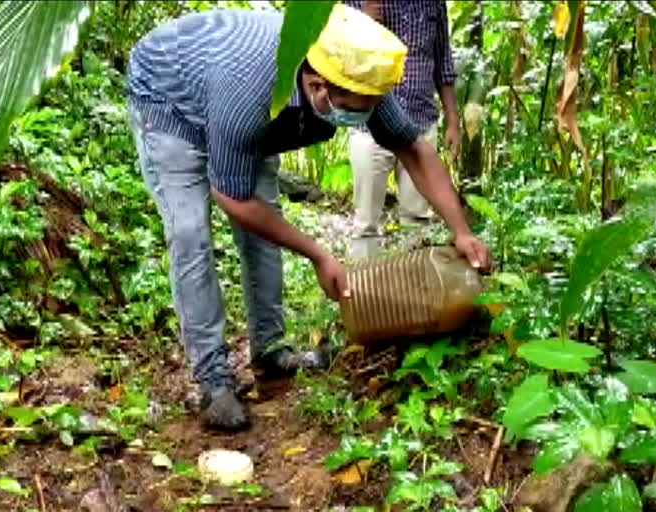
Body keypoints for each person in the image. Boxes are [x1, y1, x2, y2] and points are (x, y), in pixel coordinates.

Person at [126, 3, 489, 431]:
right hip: (171, 102)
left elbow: (414, 148)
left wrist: (461, 231)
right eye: (360, 106)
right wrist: (318, 254)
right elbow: (232, 198)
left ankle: (270, 348)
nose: (370, 113)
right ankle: (213, 381)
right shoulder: (249, 91)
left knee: (265, 226)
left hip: (247, 111)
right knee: (190, 235)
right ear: (319, 88)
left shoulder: (350, 75)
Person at [343, 0, 461, 260]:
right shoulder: (355, 3)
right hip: (370, 123)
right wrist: (364, 22)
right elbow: (339, 57)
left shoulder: (433, 4)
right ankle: (363, 294)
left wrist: (453, 119)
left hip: (421, 122)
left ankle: (414, 294)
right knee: (366, 224)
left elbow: (443, 64)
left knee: (417, 219)